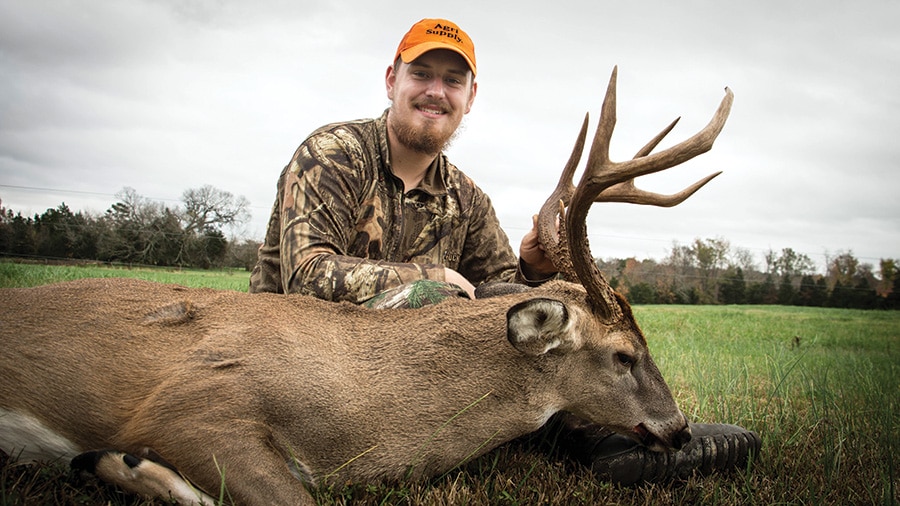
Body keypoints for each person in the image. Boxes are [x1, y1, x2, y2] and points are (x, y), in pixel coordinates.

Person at [250, 17, 760, 484]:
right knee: (435, 297)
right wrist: (429, 280)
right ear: (391, 80)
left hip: (390, 376)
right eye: (422, 73)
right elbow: (306, 276)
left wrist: (532, 269)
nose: (436, 91)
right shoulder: (333, 155)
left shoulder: (466, 198)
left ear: (470, 98)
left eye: (453, 81)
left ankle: (607, 434)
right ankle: (573, 438)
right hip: (293, 358)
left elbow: (504, 307)